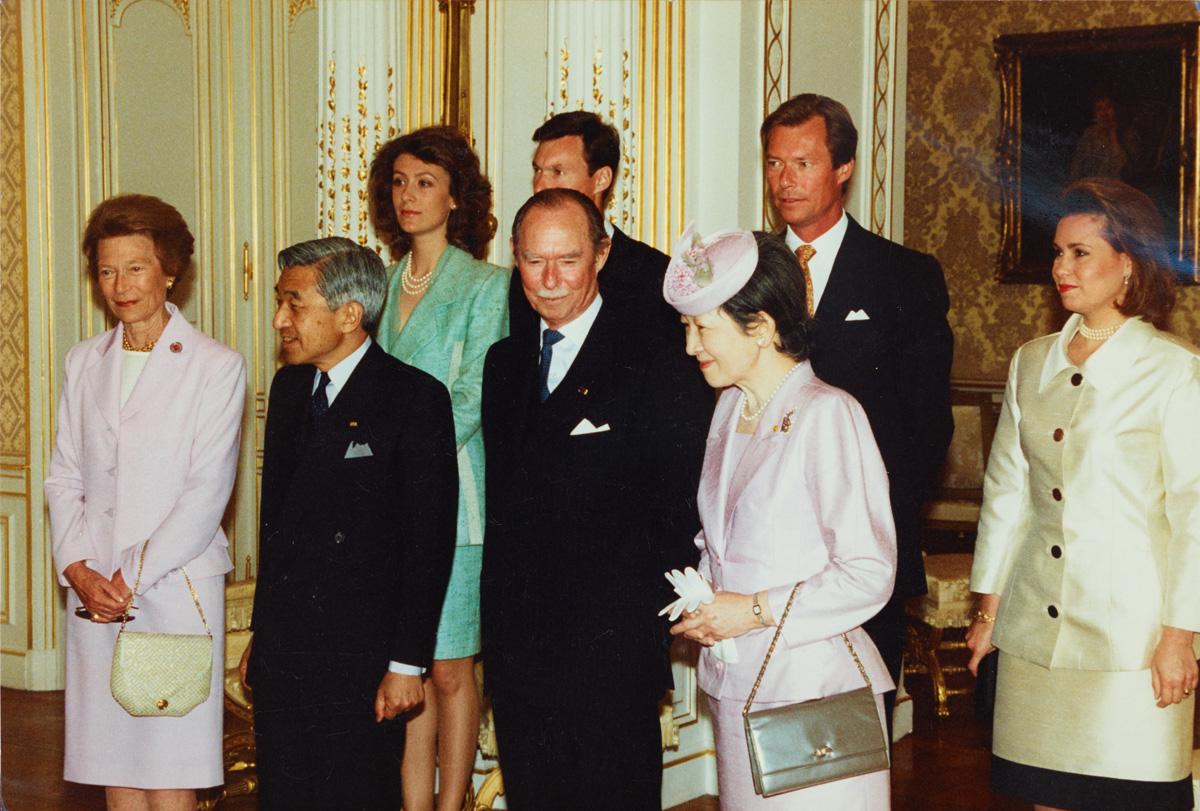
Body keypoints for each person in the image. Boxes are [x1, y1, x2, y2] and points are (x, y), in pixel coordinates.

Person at [966, 177, 1200, 811]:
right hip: (1034, 636)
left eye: (1080, 253)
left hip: (1134, 642)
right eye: (1057, 251)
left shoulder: (1174, 370)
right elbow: (1007, 493)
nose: (1060, 268)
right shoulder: (1029, 361)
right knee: (1045, 796)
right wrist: (987, 615)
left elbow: (1192, 514)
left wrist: (1180, 636)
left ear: (1129, 263)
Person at [480, 189, 712, 810]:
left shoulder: (658, 360)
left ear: (602, 255)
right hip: (520, 651)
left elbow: (679, 509)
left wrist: (640, 626)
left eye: (568, 259)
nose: (550, 279)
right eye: (534, 261)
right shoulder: (503, 364)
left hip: (611, 651)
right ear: (515, 259)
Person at [665, 227, 897, 809]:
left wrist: (752, 610)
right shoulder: (730, 407)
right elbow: (723, 533)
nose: (691, 347)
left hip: (812, 693)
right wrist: (706, 598)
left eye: (703, 328)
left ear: (762, 327)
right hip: (737, 683)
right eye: (686, 328)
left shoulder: (829, 415)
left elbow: (869, 571)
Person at [242, 237, 458, 810]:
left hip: (362, 657)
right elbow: (276, 531)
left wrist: (407, 663)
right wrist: (263, 635)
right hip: (288, 650)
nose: (278, 319)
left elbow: (427, 544)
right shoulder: (289, 391)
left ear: (348, 314)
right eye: (279, 302)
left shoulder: (414, 399)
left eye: (294, 303)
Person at [45, 194, 246, 809]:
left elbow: (205, 493)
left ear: (170, 268)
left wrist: (124, 577)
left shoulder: (215, 366)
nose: (119, 285)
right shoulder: (85, 362)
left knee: (169, 772)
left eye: (135, 267)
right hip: (95, 595)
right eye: (106, 270)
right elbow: (63, 476)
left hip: (172, 589)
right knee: (116, 769)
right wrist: (78, 568)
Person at [761, 93, 953, 719]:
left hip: (864, 554)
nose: (784, 180)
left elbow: (927, 428)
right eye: (773, 163)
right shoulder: (745, 272)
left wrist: (872, 523)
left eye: (803, 163)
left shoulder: (905, 276)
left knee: (858, 734)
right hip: (764, 557)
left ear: (842, 168)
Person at [367, 125, 508, 811]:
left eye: (424, 181)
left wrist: (399, 457)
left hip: (455, 496)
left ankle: (451, 804)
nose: (408, 195)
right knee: (407, 663)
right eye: (398, 181)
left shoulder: (486, 285)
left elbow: (475, 396)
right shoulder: (379, 285)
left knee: (451, 665)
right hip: (386, 506)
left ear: (457, 196)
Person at [508, 110, 671, 337]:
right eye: (537, 170)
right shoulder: (529, 271)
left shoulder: (653, 275)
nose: (539, 186)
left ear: (601, 179)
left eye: (558, 171)